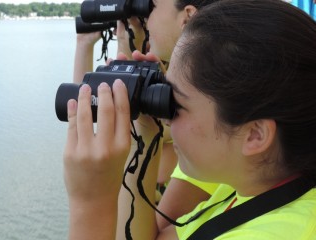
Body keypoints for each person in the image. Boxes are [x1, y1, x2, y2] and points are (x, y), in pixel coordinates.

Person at [63, 0, 316, 239]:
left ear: (255, 135)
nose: (167, 121)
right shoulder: (249, 185)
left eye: (177, 104)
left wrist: (90, 202)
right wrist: (143, 133)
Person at [71, 0, 220, 232]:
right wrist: (86, 43)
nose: (146, 17)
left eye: (152, 7)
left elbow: (112, 117)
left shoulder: (199, 113)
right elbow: (90, 104)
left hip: (153, 201)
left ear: (188, 16)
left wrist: (90, 201)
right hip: (143, 197)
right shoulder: (192, 85)